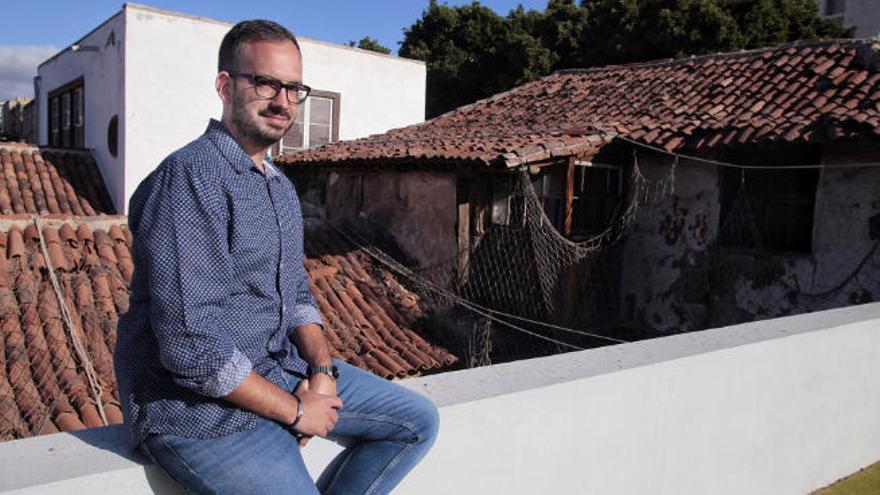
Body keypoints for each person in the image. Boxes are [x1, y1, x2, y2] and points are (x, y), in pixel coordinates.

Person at [114, 19, 439, 495]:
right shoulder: (189, 181)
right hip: (198, 411)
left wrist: (322, 373)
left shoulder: (278, 187)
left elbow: (296, 296)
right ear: (225, 85)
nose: (282, 101)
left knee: (417, 422)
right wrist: (295, 411)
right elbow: (191, 347)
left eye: (293, 88)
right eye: (265, 82)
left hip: (277, 372)